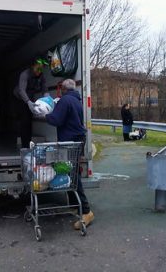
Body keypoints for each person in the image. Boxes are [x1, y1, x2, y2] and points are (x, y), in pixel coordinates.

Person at [44, 79, 94, 229]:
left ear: (63, 89)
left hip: (70, 142)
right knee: (69, 172)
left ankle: (86, 211)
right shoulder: (76, 100)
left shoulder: (65, 101)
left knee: (73, 175)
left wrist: (45, 114)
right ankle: (74, 205)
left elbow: (57, 120)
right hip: (76, 140)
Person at [13, 57, 49, 148]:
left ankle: (28, 144)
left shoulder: (41, 76)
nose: (39, 71)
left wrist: (48, 100)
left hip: (30, 96)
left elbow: (45, 89)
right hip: (20, 98)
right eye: (37, 68)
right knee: (24, 121)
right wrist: (28, 102)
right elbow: (21, 90)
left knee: (29, 121)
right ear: (33, 66)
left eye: (41, 68)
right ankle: (25, 146)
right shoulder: (25, 74)